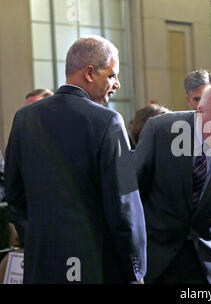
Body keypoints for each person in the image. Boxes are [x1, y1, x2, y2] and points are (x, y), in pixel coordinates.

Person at [4, 36, 147, 283]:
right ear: (90, 73)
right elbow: (124, 206)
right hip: (95, 266)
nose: (117, 84)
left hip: (42, 264)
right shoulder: (108, 122)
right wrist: (137, 270)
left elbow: (14, 194)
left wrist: (38, 239)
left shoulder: (25, 118)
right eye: (112, 75)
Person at [134, 82, 211, 284]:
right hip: (156, 254)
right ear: (200, 112)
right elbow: (134, 194)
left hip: (208, 260)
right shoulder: (161, 131)